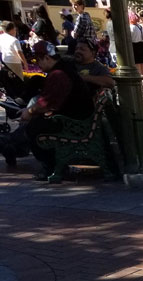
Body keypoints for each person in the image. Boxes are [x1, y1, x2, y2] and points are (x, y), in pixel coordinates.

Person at [18, 41, 95, 180]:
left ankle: (51, 167)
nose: (38, 65)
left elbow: (45, 104)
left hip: (74, 122)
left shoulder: (58, 74)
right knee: (35, 122)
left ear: (47, 58)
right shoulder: (62, 69)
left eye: (38, 60)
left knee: (33, 128)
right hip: (76, 117)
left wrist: (29, 112)